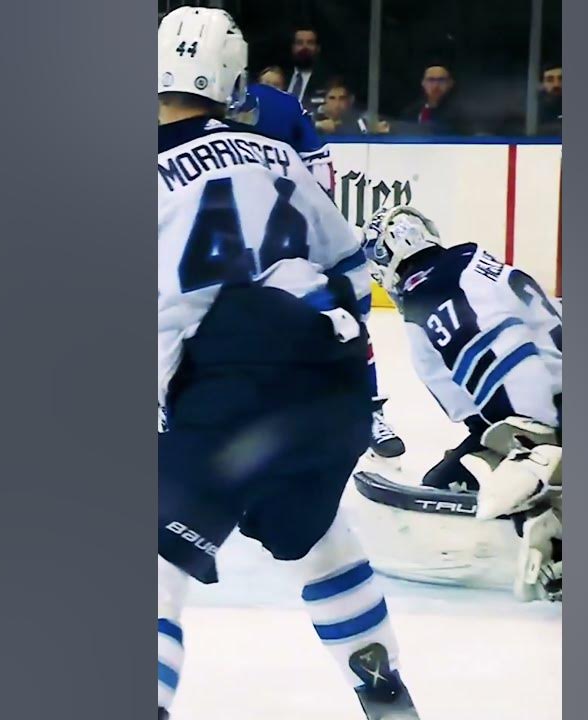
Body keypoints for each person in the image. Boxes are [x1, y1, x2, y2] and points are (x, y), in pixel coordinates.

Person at [156, 9, 420, 719]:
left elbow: (165, 306)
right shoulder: (274, 150)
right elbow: (352, 265)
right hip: (325, 375)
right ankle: (386, 695)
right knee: (320, 539)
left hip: (234, 382)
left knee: (155, 567)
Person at [360, 205, 564, 602]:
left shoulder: (425, 298)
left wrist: (526, 437)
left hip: (539, 414)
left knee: (465, 483)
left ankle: (554, 538)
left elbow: (496, 376)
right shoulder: (478, 262)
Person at [230, 77, 407, 460]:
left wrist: (311, 230)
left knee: (341, 316)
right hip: (218, 242)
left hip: (281, 240)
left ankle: (366, 406)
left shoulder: (278, 108)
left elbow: (318, 176)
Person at [398, 64, 471, 136]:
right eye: (431, 80)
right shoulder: (411, 112)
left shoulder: (461, 115)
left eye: (441, 80)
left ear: (450, 83)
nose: (436, 86)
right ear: (423, 83)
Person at [284, 25, 334, 115]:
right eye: (299, 43)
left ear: (318, 48)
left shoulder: (328, 82)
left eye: (310, 43)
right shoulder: (281, 77)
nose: (304, 47)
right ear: (292, 48)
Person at [316, 78, 391, 136]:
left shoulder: (364, 120)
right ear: (325, 99)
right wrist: (316, 126)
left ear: (351, 100)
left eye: (342, 98)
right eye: (332, 98)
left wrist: (379, 129)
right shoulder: (313, 118)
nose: (337, 104)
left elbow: (391, 125)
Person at [538, 63, 562, 135]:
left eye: (561, 79)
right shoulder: (533, 109)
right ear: (541, 84)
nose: (556, 84)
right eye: (550, 80)